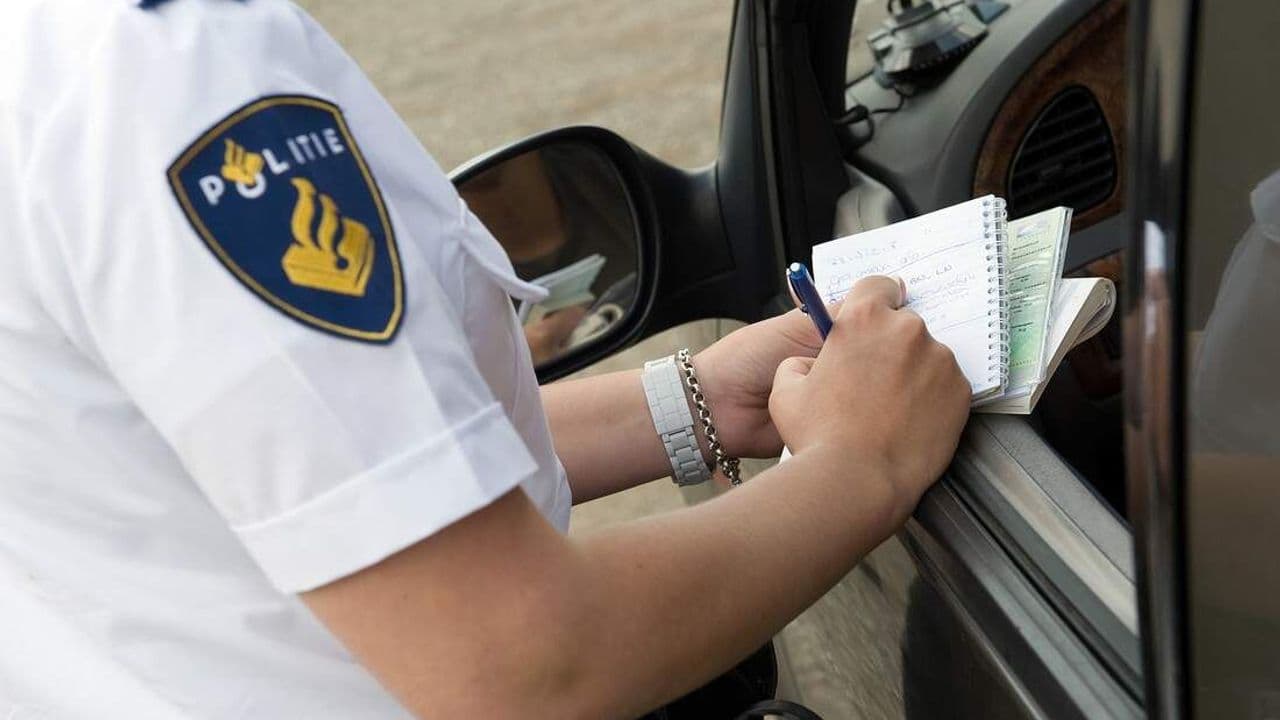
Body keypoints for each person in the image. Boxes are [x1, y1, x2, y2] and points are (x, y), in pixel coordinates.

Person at [0, 0, 970, 718]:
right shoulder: (171, 71)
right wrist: (862, 462)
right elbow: (519, 664)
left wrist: (692, 401)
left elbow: (324, 471)